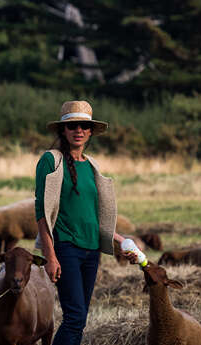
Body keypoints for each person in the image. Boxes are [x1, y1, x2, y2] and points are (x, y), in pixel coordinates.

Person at [34, 100, 136, 345]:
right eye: (72, 126)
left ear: (90, 131)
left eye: (84, 126)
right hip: (66, 248)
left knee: (80, 318)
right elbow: (42, 211)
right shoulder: (51, 161)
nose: (78, 130)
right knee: (75, 317)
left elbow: (95, 216)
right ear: (63, 130)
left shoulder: (92, 166)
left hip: (92, 252)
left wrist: (123, 242)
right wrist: (50, 256)